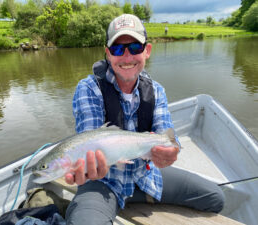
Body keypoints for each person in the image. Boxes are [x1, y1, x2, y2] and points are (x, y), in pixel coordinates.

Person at [64, 14, 224, 225]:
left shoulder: (157, 90)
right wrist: (88, 167)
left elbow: (167, 135)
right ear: (108, 53)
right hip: (102, 182)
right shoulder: (89, 88)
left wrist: (171, 151)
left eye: (135, 47)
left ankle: (136, 198)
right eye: (118, 49)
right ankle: (113, 202)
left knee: (214, 197)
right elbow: (90, 136)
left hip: (146, 176)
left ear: (147, 51)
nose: (127, 57)